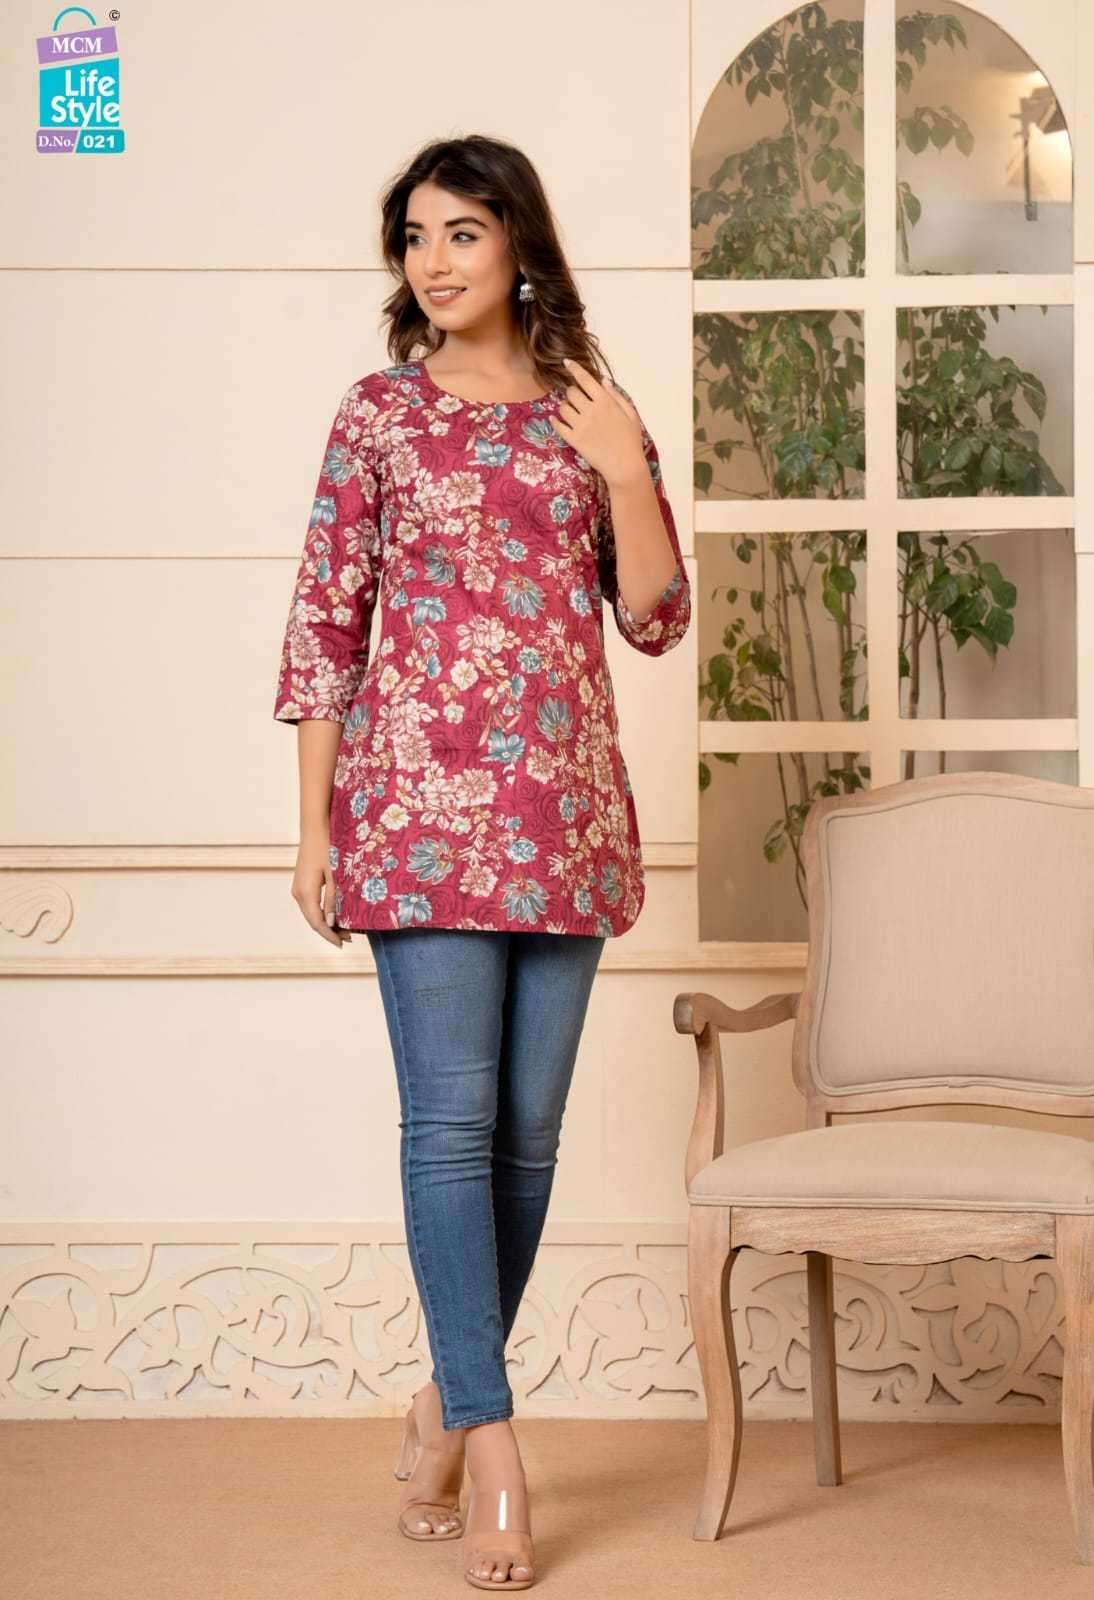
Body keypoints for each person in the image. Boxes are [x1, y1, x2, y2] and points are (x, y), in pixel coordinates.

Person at [272, 134, 691, 1591]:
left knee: (526, 1139)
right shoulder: (379, 413)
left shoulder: (589, 408)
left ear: (519, 243)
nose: (434, 260)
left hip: (563, 823)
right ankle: (500, 1441)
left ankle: (443, 1407)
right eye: (414, 236)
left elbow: (653, 616)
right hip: (417, 818)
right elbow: (324, 626)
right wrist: (315, 828)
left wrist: (624, 467)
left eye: (461, 231)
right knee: (449, 1129)